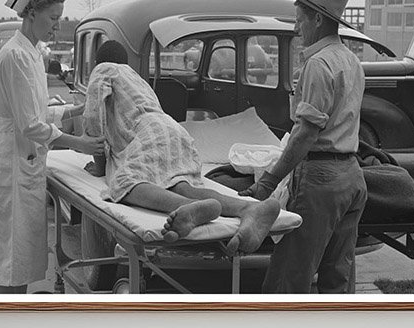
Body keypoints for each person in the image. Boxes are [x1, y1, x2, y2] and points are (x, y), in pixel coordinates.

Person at [83, 40, 280, 253]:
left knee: (124, 183)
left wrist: (100, 166)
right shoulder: (134, 78)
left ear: (97, 61)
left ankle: (183, 207)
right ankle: (250, 208)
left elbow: (93, 121)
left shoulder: (102, 71)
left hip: (147, 133)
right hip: (174, 133)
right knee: (178, 183)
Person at [240, 0, 367, 293]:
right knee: (337, 276)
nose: (297, 29)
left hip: (321, 181)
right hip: (351, 177)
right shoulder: (351, 61)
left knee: (290, 278)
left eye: (300, 20)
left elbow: (305, 134)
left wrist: (267, 181)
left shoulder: (319, 64)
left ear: (319, 19)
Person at [0, 0, 104, 293]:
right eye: (52, 18)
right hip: (13, 164)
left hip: (26, 162)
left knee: (20, 261)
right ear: (31, 13)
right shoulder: (16, 57)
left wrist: (77, 111)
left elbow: (38, 114)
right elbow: (30, 126)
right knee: (9, 264)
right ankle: (3, 324)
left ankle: (14, 321)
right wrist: (80, 144)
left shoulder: (33, 53)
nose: (56, 26)